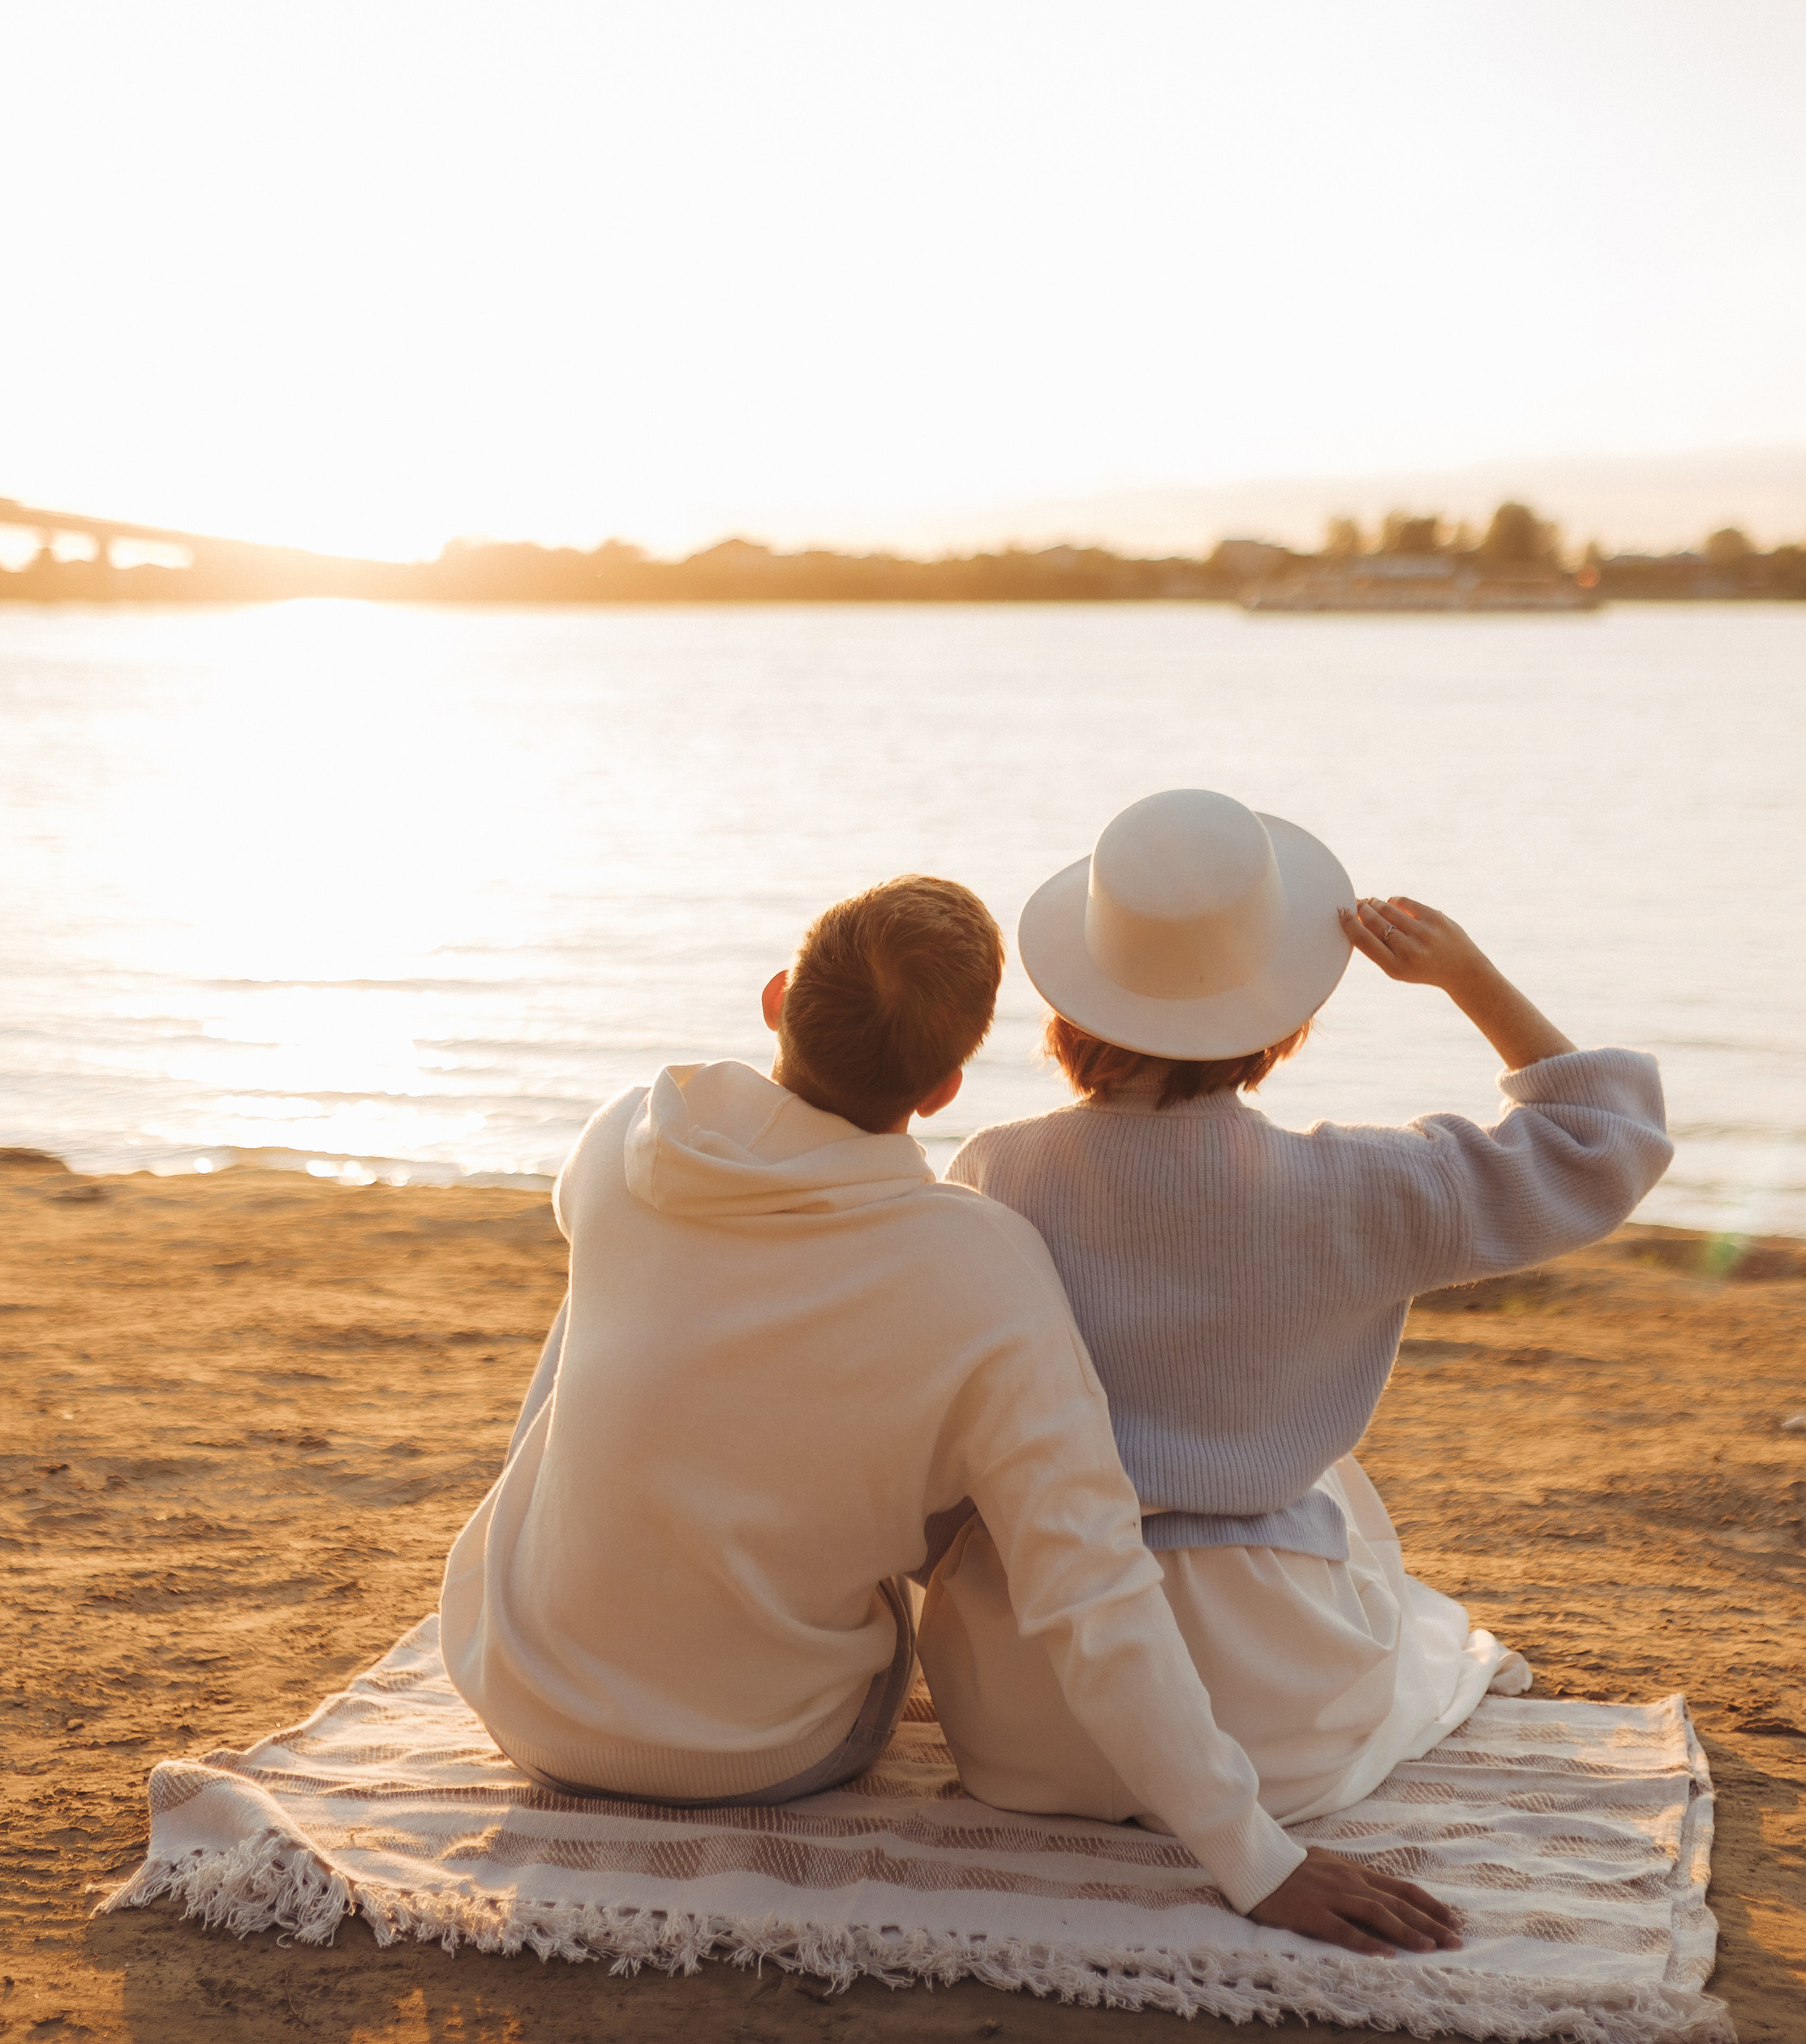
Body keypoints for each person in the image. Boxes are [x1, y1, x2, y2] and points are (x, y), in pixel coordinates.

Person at [438, 871, 1460, 1956]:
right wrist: (1257, 1856)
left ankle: (589, 1601)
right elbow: (1092, 1586)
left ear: (779, 997)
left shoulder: (621, 1138)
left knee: (609, 1281)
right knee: (967, 1452)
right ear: (943, 1092)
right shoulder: (978, 1266)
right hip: (764, 1750)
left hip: (524, 1697)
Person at [919, 790, 1674, 1831]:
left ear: (1073, 1001)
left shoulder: (996, 1166)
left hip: (1030, 1704)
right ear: (1283, 1017)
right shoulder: (1360, 1185)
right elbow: (1603, 1142)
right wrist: (1465, 975)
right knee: (1347, 1505)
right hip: (1269, 1725)